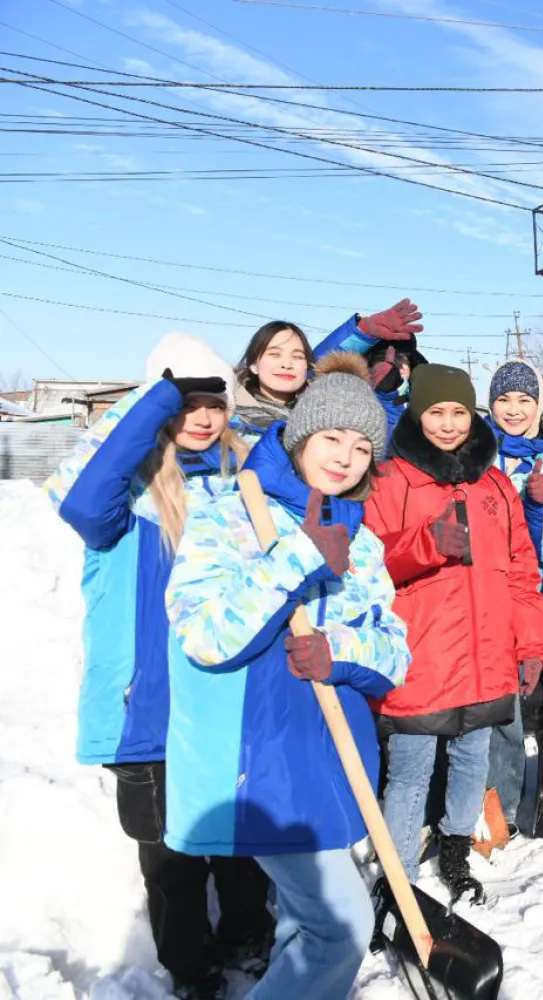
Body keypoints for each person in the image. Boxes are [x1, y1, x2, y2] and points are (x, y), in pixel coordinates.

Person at [163, 353, 410, 1000]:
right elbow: (204, 636)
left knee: (308, 926)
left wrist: (342, 649)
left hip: (328, 761)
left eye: (362, 446)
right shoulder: (224, 511)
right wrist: (296, 557)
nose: (345, 457)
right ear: (300, 436)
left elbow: (397, 653)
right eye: (331, 438)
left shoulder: (360, 538)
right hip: (256, 761)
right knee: (341, 927)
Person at [45, 334, 274, 1000]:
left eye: (213, 402)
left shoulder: (242, 484)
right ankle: (192, 970)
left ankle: (246, 936)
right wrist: (158, 398)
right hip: (142, 708)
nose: (202, 416)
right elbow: (83, 505)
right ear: (154, 406)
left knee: (238, 842)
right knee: (171, 861)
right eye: (184, 403)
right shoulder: (120, 494)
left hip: (223, 701)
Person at [364, 364, 543, 900]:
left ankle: (454, 850)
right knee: (410, 770)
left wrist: (532, 642)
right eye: (435, 413)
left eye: (458, 413)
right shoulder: (391, 479)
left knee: (473, 759)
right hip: (423, 652)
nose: (448, 425)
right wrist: (424, 544)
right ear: (416, 415)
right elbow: (367, 566)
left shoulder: (494, 484)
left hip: (488, 649)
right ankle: (396, 875)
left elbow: (522, 570)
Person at [487, 358, 543, 829]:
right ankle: (480, 789)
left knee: (526, 679)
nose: (514, 409)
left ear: (539, 405)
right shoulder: (477, 454)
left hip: (531, 587)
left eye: (524, 400)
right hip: (478, 588)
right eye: (503, 399)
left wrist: (538, 507)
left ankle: (515, 781)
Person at [232, 298, 423, 431]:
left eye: (297, 356)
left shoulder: (329, 418)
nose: (287, 364)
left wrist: (362, 333)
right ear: (253, 364)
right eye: (275, 354)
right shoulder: (222, 414)